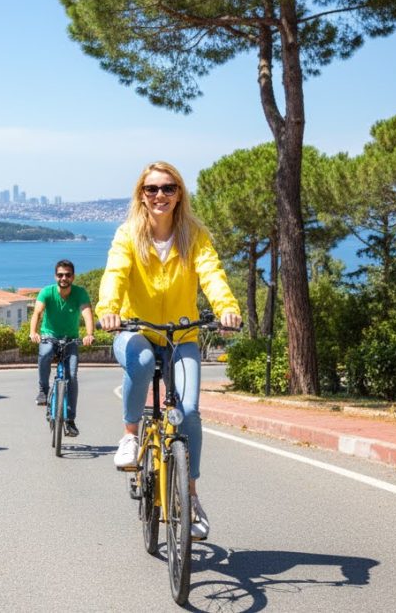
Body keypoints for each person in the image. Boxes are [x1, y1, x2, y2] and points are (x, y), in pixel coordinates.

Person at [96, 161, 241, 540]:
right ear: (141, 195)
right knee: (141, 361)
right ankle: (130, 434)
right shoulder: (128, 234)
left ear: (180, 193)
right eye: (151, 189)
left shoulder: (194, 235)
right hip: (134, 328)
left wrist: (227, 307)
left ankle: (190, 497)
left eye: (168, 188)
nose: (160, 195)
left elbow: (212, 273)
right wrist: (109, 310)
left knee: (189, 410)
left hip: (182, 334)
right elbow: (115, 273)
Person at [29, 260, 95, 437]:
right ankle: (43, 390)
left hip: (70, 339)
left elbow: (87, 313)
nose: (63, 278)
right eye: (60, 275)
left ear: (73, 276)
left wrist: (89, 334)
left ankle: (70, 420)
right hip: (49, 336)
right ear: (55, 276)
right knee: (45, 353)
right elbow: (37, 313)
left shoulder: (80, 293)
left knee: (71, 376)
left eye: (67, 275)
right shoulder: (47, 292)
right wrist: (33, 332)